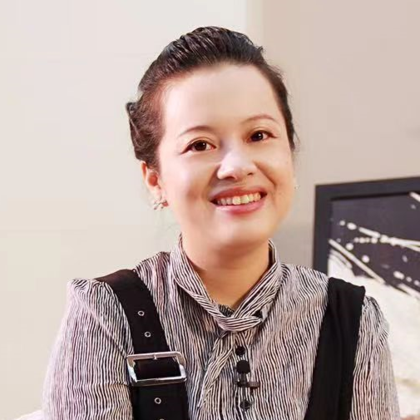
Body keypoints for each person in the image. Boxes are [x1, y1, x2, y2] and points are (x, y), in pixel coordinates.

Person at [41, 26, 400, 419]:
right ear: (155, 180)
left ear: (290, 154)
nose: (237, 166)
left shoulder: (353, 320)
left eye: (259, 135)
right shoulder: (105, 315)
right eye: (200, 145)